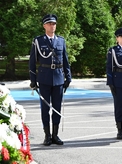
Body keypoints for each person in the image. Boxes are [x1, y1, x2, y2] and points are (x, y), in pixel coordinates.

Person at [29, 14, 71, 146]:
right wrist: (33, 80)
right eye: (49, 24)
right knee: (45, 109)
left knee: (57, 108)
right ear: (44, 26)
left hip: (58, 78)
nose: (52, 26)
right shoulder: (38, 41)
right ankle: (47, 135)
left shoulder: (61, 41)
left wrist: (68, 76)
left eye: (54, 24)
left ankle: (55, 135)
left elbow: (65, 60)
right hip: (44, 78)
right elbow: (32, 62)